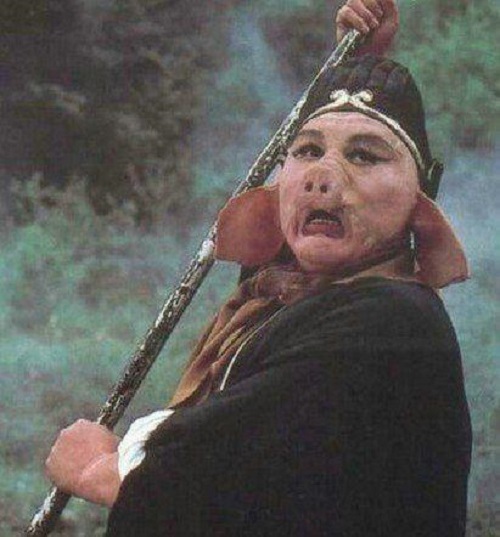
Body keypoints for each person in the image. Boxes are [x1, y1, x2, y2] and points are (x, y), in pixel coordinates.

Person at [45, 1, 472, 535]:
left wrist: (102, 469)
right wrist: (356, 67)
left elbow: (212, 468)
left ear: (418, 200)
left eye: (365, 155)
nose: (322, 175)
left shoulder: (391, 322)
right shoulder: (303, 294)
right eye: (306, 150)